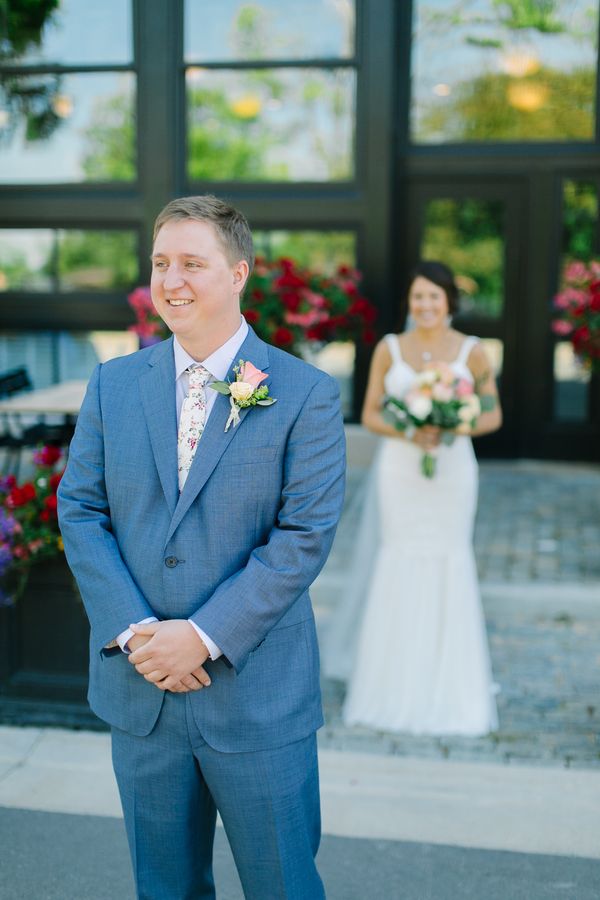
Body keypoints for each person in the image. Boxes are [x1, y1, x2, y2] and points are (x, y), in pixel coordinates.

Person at [57, 194, 346, 900]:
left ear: (239, 271)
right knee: (165, 888)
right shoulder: (115, 383)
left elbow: (304, 534)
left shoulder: (302, 393)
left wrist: (205, 635)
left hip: (255, 696)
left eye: (193, 263)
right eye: (161, 263)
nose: (172, 280)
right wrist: (137, 634)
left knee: (282, 886)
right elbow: (82, 510)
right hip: (144, 689)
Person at [332, 260, 502, 736]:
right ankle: (388, 686)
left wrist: (452, 425)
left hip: (452, 471)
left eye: (434, 296)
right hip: (400, 470)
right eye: (418, 297)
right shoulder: (390, 349)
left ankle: (452, 687)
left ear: (449, 300)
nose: (426, 305)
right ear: (410, 303)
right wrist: (412, 428)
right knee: (399, 556)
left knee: (449, 558)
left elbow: (491, 416)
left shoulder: (472, 352)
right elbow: (370, 414)